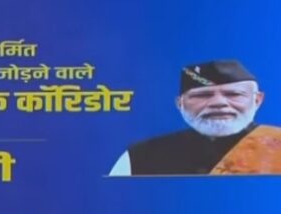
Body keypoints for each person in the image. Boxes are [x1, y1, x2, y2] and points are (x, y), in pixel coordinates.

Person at [112, 60, 281, 176]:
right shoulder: (140, 156)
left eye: (233, 94)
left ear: (257, 100)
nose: (218, 103)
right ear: (180, 103)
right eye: (202, 95)